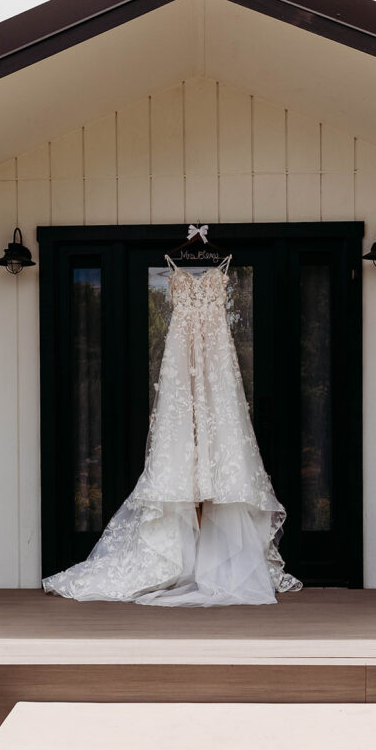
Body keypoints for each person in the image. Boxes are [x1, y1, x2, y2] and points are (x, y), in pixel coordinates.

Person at [43, 254, 300, 606]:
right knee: (182, 455)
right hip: (182, 356)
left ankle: (215, 562)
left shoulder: (221, 268)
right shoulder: (177, 273)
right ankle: (180, 562)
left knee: (220, 449)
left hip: (216, 359)